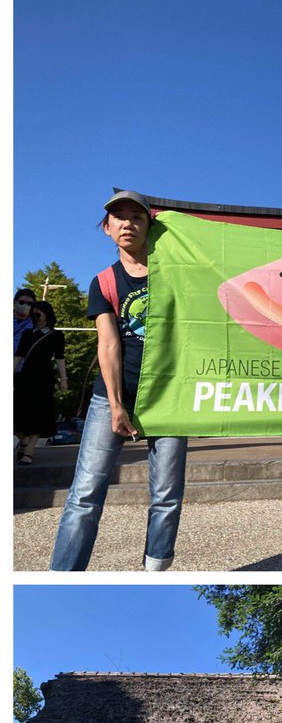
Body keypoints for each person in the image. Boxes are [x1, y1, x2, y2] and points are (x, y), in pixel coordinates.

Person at [50, 191, 188, 571]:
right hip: (111, 395)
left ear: (150, 227)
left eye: (137, 217)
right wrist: (114, 404)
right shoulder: (104, 282)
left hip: (169, 395)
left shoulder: (178, 276)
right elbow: (108, 344)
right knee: (85, 494)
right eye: (119, 217)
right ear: (108, 229)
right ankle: (64, 574)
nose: (128, 223)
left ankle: (155, 573)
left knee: (167, 495)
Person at [14, 300, 68, 464]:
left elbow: (59, 358)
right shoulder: (28, 334)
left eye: (39, 314)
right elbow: (19, 355)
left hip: (44, 378)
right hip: (25, 377)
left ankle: (28, 452)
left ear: (47, 314)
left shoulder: (56, 335)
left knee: (39, 413)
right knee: (17, 413)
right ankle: (23, 442)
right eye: (34, 315)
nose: (36, 318)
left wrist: (63, 379)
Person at [14, 287, 36, 352]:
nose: (25, 305)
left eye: (29, 303)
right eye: (21, 302)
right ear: (15, 302)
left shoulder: (36, 325)